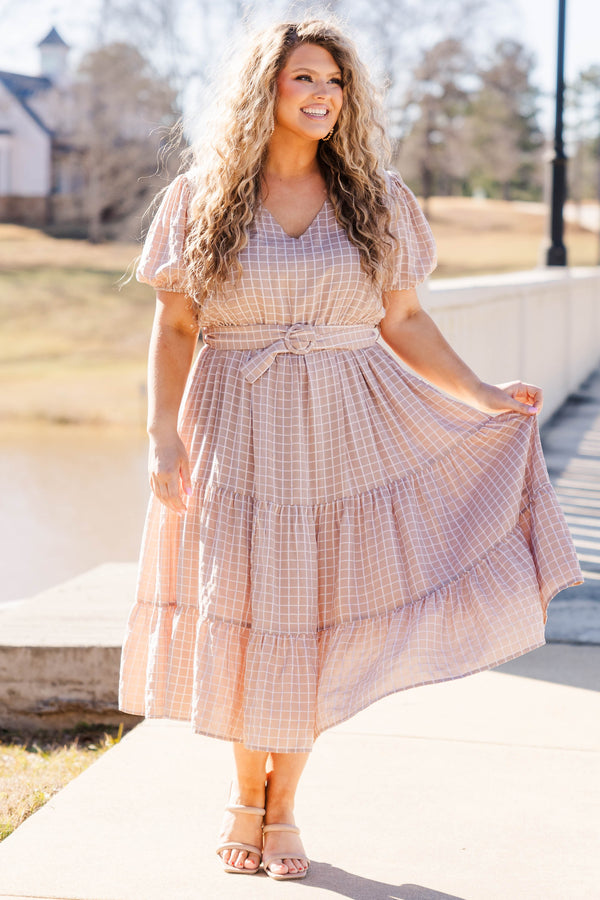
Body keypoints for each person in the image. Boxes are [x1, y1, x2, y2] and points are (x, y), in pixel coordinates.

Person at [118, 16, 582, 881]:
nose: (323, 95)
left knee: (308, 624)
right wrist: (162, 432)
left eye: (334, 81)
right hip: (234, 426)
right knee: (248, 617)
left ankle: (282, 806)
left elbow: (402, 320)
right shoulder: (200, 197)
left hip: (341, 432)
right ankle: (242, 798)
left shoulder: (378, 199)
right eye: (304, 79)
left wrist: (480, 395)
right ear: (267, 90)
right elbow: (175, 324)